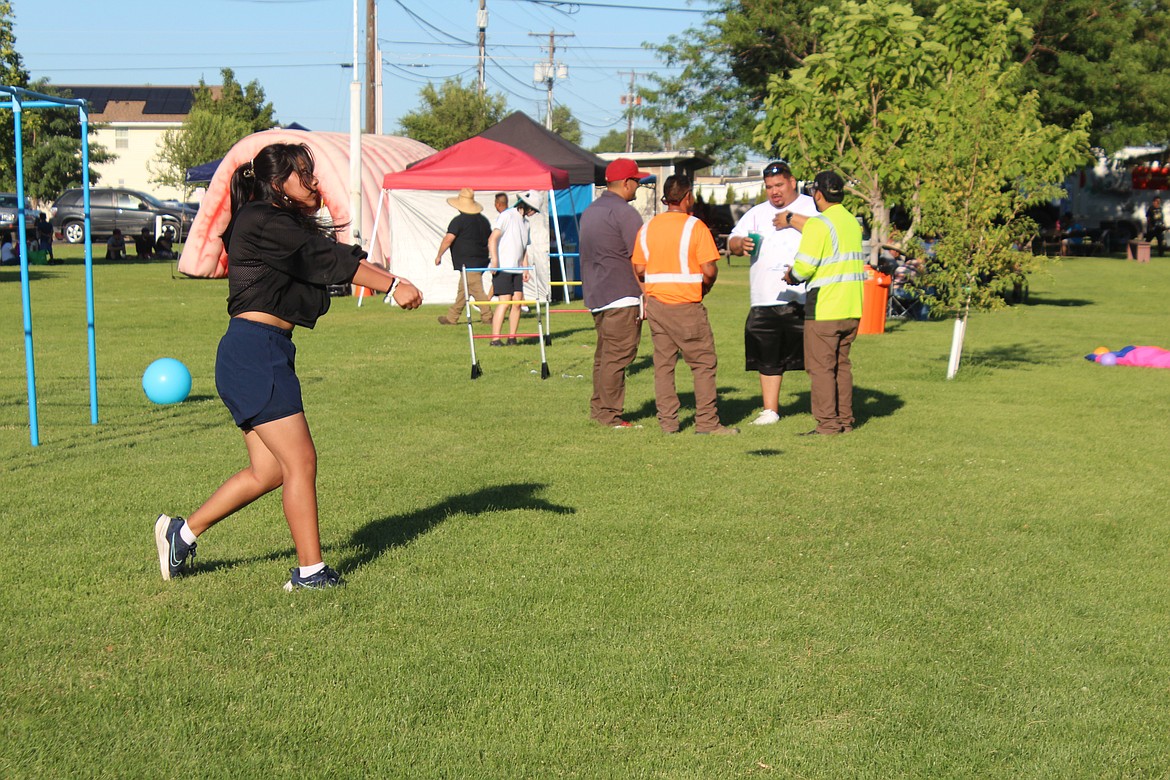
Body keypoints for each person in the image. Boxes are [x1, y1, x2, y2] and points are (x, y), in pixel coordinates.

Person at [153, 142, 422, 591]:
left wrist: (378, 274)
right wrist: (392, 284)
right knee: (301, 461)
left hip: (260, 351)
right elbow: (324, 260)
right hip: (255, 353)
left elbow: (327, 259)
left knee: (270, 471)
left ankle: (180, 534)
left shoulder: (278, 223)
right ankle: (310, 574)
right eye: (304, 174)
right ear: (278, 184)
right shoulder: (262, 219)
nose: (314, 182)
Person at [633, 174, 738, 435]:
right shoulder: (695, 227)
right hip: (687, 305)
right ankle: (707, 423)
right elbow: (709, 270)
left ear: (666, 198)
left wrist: (647, 293)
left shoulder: (648, 227)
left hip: (657, 305)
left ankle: (668, 423)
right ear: (687, 196)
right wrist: (704, 288)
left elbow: (638, 267)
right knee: (702, 364)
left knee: (664, 366)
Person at [727, 160, 818, 426]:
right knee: (768, 357)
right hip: (764, 296)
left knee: (815, 356)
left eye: (779, 185)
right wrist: (737, 244)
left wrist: (791, 221)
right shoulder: (756, 213)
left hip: (803, 295)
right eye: (769, 187)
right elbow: (732, 240)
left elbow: (824, 232)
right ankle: (770, 410)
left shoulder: (811, 206)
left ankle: (822, 405)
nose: (774, 192)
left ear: (792, 182)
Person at [781, 171, 865, 436]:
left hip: (825, 308)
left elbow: (804, 268)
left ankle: (827, 424)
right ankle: (845, 420)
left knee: (820, 368)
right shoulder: (852, 222)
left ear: (818, 194)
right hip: (851, 306)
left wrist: (790, 275)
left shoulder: (819, 224)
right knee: (841, 366)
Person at [579, 158, 648, 429]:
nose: (638, 187)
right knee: (618, 356)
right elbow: (640, 259)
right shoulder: (626, 213)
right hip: (622, 293)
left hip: (597, 293)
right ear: (627, 182)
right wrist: (648, 294)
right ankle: (610, 415)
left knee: (604, 357)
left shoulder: (591, 211)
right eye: (637, 182)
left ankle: (600, 411)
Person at [435, 187, 495, 326]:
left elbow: (448, 239)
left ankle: (488, 316)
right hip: (480, 260)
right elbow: (490, 239)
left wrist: (439, 255)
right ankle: (452, 317)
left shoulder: (458, 221)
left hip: (468, 262)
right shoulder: (483, 221)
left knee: (475, 289)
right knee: (463, 290)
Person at [487, 190, 538, 346]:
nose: (534, 213)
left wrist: (525, 269)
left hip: (517, 270)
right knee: (505, 302)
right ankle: (495, 339)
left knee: (517, 303)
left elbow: (523, 248)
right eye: (533, 209)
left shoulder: (526, 224)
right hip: (503, 268)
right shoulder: (507, 216)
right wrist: (495, 261)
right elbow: (492, 239)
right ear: (527, 205)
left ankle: (512, 338)